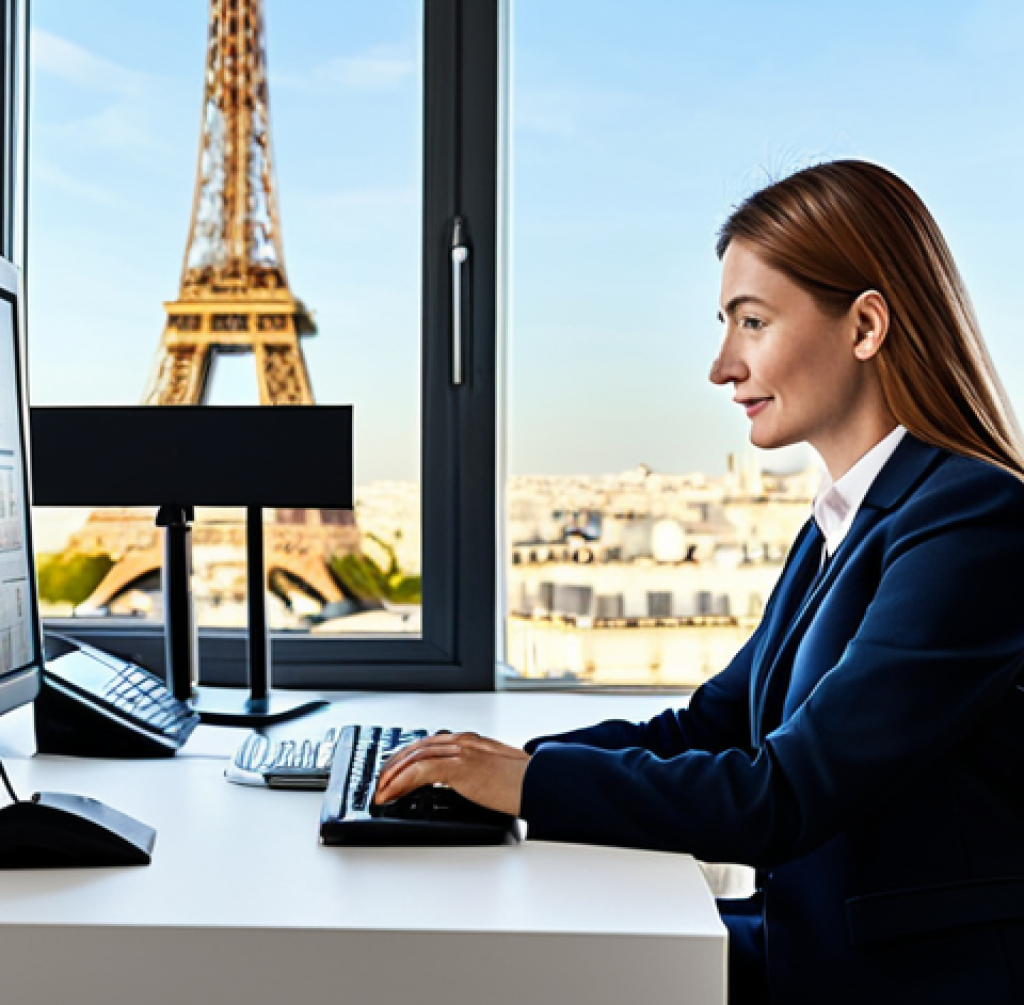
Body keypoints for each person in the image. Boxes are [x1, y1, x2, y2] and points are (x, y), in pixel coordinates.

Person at [375, 160, 1024, 1004]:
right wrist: (497, 766)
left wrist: (525, 785)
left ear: (866, 326)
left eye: (752, 322)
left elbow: (782, 794)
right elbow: (709, 726)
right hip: (812, 947)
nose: (721, 366)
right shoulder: (845, 521)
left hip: (902, 983)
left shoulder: (973, 521)